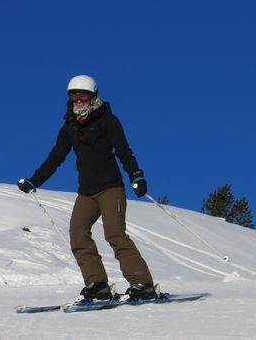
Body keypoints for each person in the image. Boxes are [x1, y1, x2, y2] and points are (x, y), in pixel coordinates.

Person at [18, 75, 159, 301]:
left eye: (82, 94)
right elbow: (55, 158)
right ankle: (97, 284)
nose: (78, 99)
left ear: (93, 95)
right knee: (77, 233)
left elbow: (124, 151)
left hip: (110, 188)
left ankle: (142, 283)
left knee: (114, 234)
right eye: (73, 95)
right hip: (86, 192)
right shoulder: (69, 128)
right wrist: (34, 181)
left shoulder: (108, 121)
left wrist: (137, 175)